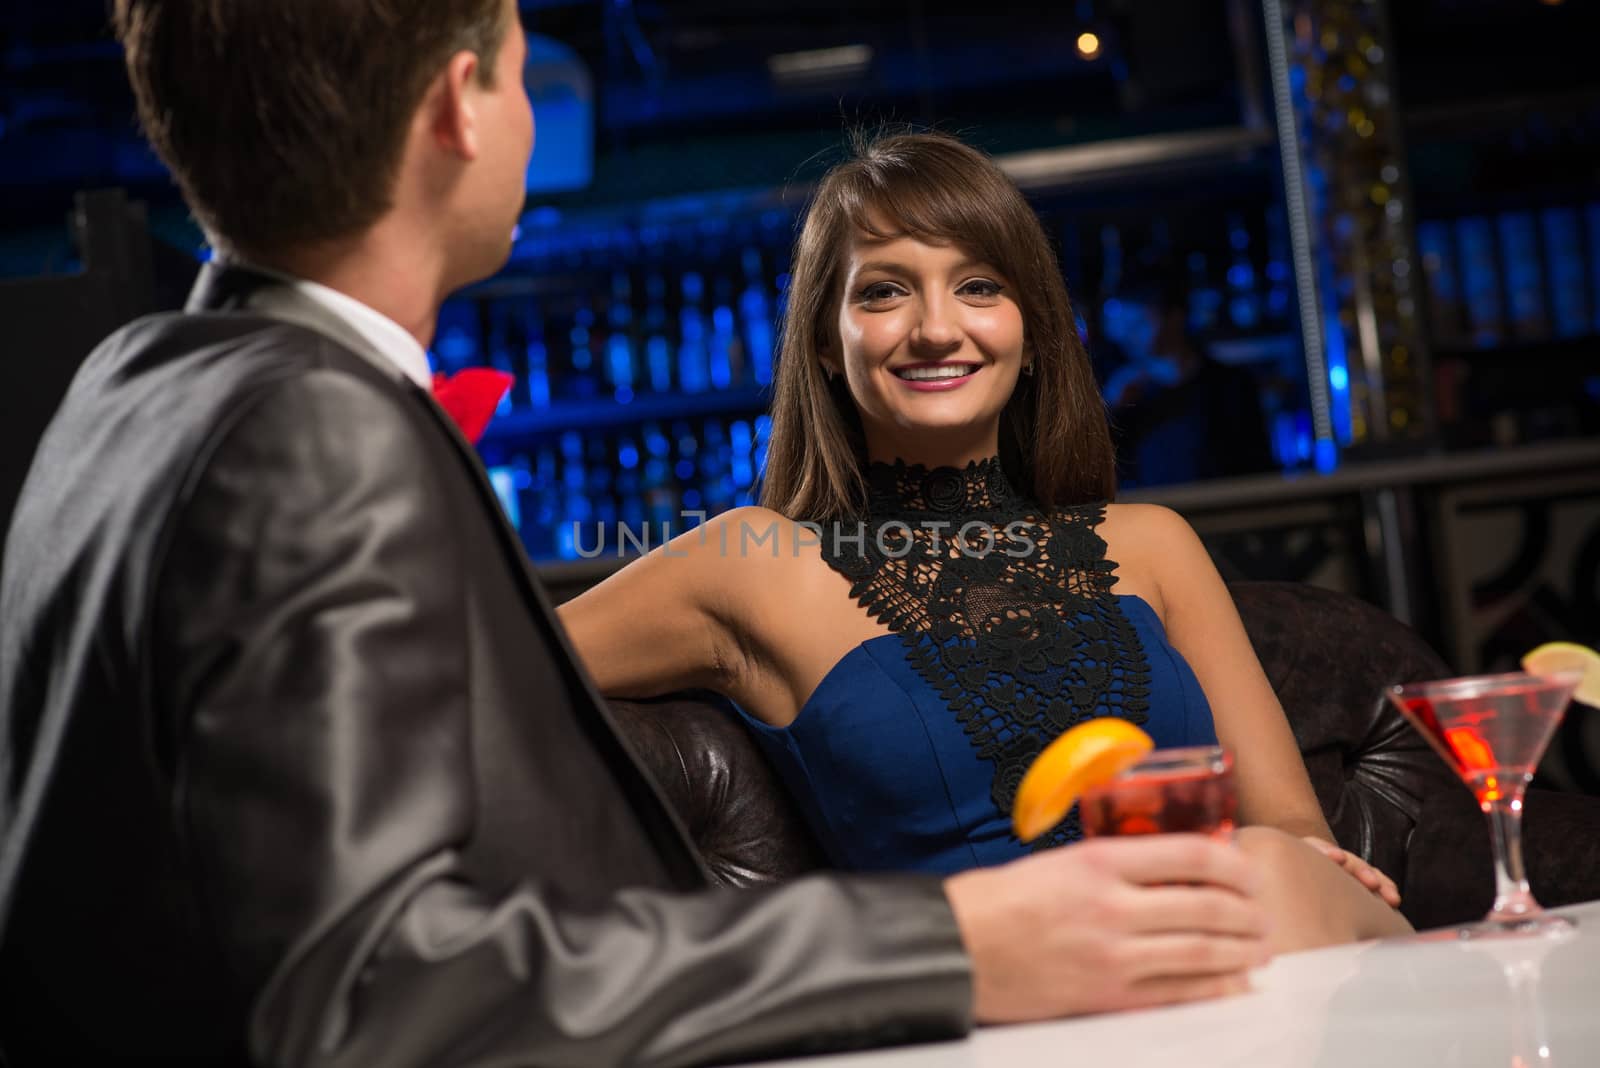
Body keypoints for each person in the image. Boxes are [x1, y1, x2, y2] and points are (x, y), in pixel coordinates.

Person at [0, 5, 1273, 1065]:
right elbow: (372, 988)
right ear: (460, 105)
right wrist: (955, 943)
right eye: (523, 59)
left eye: (979, 286)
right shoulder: (313, 429)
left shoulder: (124, 390)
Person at [561, 131, 1413, 953]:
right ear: (825, 341)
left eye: (978, 287)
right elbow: (484, 665)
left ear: (1035, 332)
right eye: (883, 293)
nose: (936, 328)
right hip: (1007, 1011)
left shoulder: (1152, 545)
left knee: (1267, 864)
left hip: (1250, 965)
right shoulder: (750, 566)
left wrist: (1314, 868)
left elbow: (1290, 826)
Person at [1098, 262, 1277, 487]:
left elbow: (1259, 471)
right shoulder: (1125, 394)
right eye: (1125, 325)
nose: (1129, 335)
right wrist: (1111, 413)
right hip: (1154, 518)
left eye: (1140, 323)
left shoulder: (1230, 386)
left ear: (1175, 316)